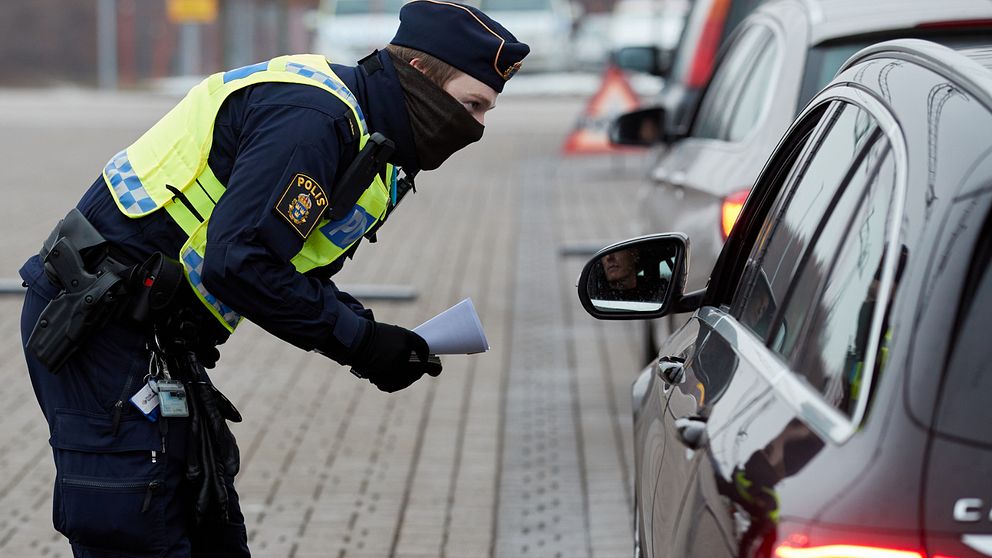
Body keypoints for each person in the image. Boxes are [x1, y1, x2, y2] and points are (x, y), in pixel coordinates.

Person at [18, 2, 529, 556]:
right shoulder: (315, 121)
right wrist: (359, 343)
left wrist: (376, 336)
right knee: (137, 522)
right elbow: (240, 263)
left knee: (205, 517)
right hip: (95, 323)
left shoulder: (368, 142)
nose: (477, 127)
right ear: (423, 77)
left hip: (151, 326)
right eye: (472, 104)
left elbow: (281, 268)